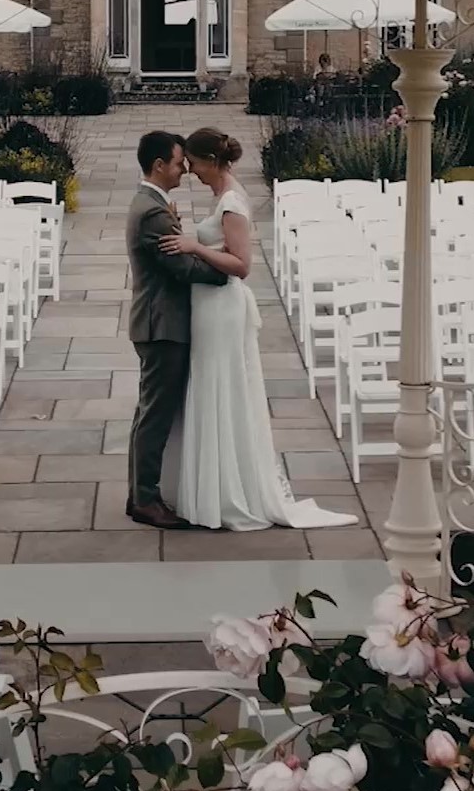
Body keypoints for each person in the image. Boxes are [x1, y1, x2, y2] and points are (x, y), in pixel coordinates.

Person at [158, 127, 357, 531]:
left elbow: (242, 265)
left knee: (220, 387)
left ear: (210, 161)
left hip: (222, 308)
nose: (190, 171)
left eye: (193, 164)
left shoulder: (231, 200)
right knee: (210, 388)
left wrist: (195, 247)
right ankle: (211, 489)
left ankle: (228, 494)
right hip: (207, 307)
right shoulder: (222, 196)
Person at [125, 130, 228, 531]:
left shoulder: (152, 202)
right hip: (162, 324)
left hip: (158, 322)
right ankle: (146, 500)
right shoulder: (152, 211)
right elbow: (182, 266)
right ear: (158, 165)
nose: (184, 169)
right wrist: (228, 269)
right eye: (178, 162)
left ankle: (139, 493)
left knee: (148, 411)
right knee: (155, 415)